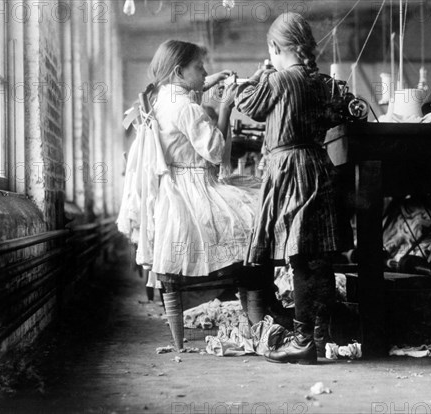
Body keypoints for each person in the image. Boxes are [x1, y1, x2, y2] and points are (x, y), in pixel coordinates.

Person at [118, 40, 261, 349]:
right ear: (179, 71)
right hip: (194, 191)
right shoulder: (186, 107)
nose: (205, 72)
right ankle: (263, 307)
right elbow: (216, 152)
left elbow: (192, 89)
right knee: (257, 218)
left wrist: (216, 79)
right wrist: (226, 106)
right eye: (200, 67)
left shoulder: (161, 98)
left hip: (171, 191)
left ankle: (186, 337)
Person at [235, 12, 351, 364]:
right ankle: (316, 337)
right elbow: (342, 112)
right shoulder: (325, 83)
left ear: (274, 47)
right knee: (318, 259)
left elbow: (246, 105)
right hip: (317, 165)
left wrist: (257, 76)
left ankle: (302, 341)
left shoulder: (279, 80)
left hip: (289, 169)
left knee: (300, 256)